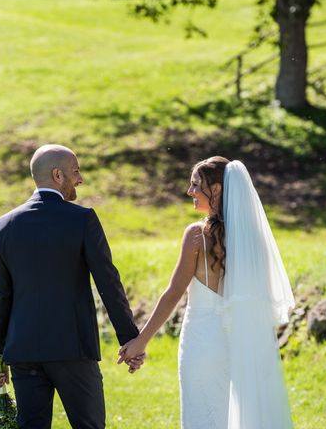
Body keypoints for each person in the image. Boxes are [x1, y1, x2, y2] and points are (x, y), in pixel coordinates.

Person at [118, 157, 295, 429]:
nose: (190, 192)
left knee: (203, 415)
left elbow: (173, 293)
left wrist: (141, 341)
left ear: (217, 189)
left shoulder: (196, 236)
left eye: (195, 185)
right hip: (240, 344)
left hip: (202, 344)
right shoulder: (253, 239)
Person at [0, 144, 145, 429]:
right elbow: (108, 283)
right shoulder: (82, 219)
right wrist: (129, 338)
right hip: (72, 350)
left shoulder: (4, 225)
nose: (80, 179)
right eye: (76, 172)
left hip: (23, 352)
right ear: (58, 175)